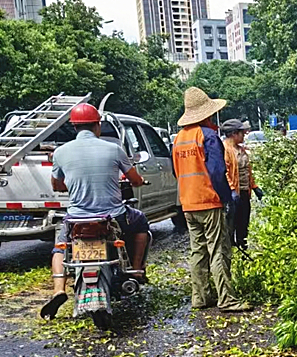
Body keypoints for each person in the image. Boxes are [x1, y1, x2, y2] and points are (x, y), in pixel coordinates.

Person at [40, 103, 148, 320]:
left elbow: (57, 185)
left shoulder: (61, 152)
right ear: (97, 125)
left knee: (61, 247)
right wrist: (139, 181)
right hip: (112, 217)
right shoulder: (114, 149)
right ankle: (136, 270)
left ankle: (59, 289)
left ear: (74, 127)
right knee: (141, 223)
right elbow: (135, 180)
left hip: (76, 219)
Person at [172, 87, 251, 312]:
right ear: (206, 113)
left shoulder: (179, 139)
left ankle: (200, 297)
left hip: (188, 203)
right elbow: (217, 173)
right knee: (218, 249)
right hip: (209, 201)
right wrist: (227, 199)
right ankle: (227, 299)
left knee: (198, 251)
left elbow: (176, 172)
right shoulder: (207, 136)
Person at [220, 119, 264, 250]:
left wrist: (254, 187)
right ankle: (232, 253)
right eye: (242, 133)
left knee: (243, 224)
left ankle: (242, 249)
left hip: (244, 192)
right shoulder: (225, 150)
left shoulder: (241, 150)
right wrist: (232, 190)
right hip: (233, 195)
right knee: (231, 225)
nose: (244, 136)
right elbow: (225, 172)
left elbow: (247, 171)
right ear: (234, 133)